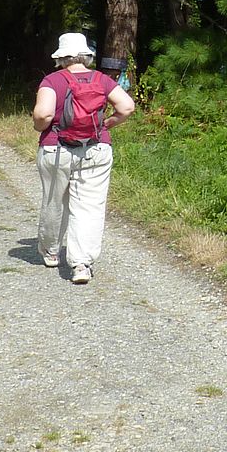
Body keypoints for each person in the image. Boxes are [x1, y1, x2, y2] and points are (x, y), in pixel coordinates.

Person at [32, 32, 135, 284]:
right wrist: (106, 124)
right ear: (86, 56)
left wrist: (38, 126)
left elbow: (44, 115)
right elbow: (127, 107)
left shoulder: (52, 80)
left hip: (56, 149)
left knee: (54, 201)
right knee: (89, 207)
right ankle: (81, 264)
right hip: (96, 148)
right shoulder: (102, 79)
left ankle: (51, 251)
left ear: (61, 57)